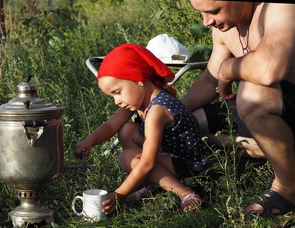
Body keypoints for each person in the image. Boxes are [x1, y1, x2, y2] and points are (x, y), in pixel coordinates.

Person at [182, 1, 295, 216]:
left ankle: (287, 188)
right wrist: (168, 115)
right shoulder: (226, 29)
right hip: (278, 109)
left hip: (285, 103)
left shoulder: (280, 7)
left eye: (214, 11)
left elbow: (268, 69)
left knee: (252, 94)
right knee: (191, 120)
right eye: (202, 14)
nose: (207, 22)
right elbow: (209, 81)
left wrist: (227, 69)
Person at [74, 43, 209, 215]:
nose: (116, 100)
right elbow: (110, 126)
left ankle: (186, 192)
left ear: (138, 80)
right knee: (126, 130)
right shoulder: (141, 101)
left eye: (118, 92)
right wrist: (89, 141)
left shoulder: (157, 110)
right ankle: (154, 185)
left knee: (126, 158)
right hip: (171, 157)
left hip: (190, 167)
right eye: (112, 96)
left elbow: (147, 162)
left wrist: (119, 194)